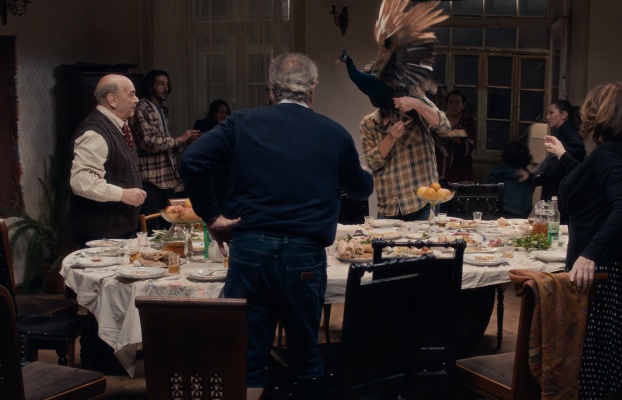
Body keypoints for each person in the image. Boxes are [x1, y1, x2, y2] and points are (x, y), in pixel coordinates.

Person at [179, 53, 374, 393]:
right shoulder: (333, 133)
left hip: (249, 251)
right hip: (304, 256)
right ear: (312, 90)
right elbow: (360, 189)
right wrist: (365, 173)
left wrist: (213, 217)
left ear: (270, 91)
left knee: (247, 358)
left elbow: (192, 160)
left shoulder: (241, 122)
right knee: (306, 357)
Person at [543, 82, 622, 398]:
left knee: (591, 361)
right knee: (606, 359)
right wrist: (564, 156)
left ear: (598, 113)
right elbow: (591, 180)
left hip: (600, 271)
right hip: (616, 263)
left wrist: (590, 254)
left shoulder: (609, 153)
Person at [69, 74, 147, 244]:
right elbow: (81, 181)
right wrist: (123, 194)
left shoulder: (119, 126)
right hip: (101, 238)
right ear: (112, 100)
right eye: (131, 94)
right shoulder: (95, 132)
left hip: (119, 233)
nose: (136, 100)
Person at [130, 69, 201, 232]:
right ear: (150, 87)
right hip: (150, 180)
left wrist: (186, 142)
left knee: (171, 229)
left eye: (167, 84)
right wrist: (180, 139)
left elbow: (165, 147)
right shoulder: (143, 108)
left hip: (166, 180)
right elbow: (148, 143)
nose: (166, 88)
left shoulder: (161, 109)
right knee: (152, 230)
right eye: (161, 84)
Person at [360, 93, 450, 222]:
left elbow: (445, 129)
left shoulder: (417, 110)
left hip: (422, 204)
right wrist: (390, 138)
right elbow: (371, 162)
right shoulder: (369, 122)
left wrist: (416, 103)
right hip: (388, 208)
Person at [526, 100, 586, 220]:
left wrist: (560, 158)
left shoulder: (568, 129)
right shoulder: (563, 130)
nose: (548, 117)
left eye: (551, 112)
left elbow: (578, 147)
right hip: (559, 185)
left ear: (564, 115)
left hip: (560, 186)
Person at [193, 99, 233, 214]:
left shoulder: (230, 128)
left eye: (227, 112)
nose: (224, 115)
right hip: (207, 173)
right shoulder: (202, 125)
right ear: (214, 113)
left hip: (225, 174)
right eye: (221, 112)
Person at [436, 89, 475, 185]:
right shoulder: (440, 119)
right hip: (440, 165)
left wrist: (457, 140)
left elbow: (469, 148)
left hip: (459, 167)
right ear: (447, 104)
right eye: (451, 102)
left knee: (456, 192)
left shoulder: (468, 121)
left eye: (457, 102)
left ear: (463, 105)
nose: (454, 105)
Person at [488, 142, 534, 219]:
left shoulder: (498, 171)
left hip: (502, 212)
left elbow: (492, 188)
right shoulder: (528, 175)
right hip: (523, 213)